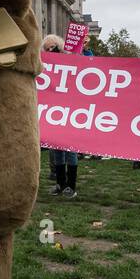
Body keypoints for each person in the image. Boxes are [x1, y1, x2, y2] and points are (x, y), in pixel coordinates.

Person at [41, 34, 81, 197]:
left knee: (70, 149)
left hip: (70, 110)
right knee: (57, 149)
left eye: (53, 47)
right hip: (54, 111)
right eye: (48, 48)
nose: (51, 50)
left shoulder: (70, 61)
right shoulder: (46, 64)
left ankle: (70, 186)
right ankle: (60, 183)